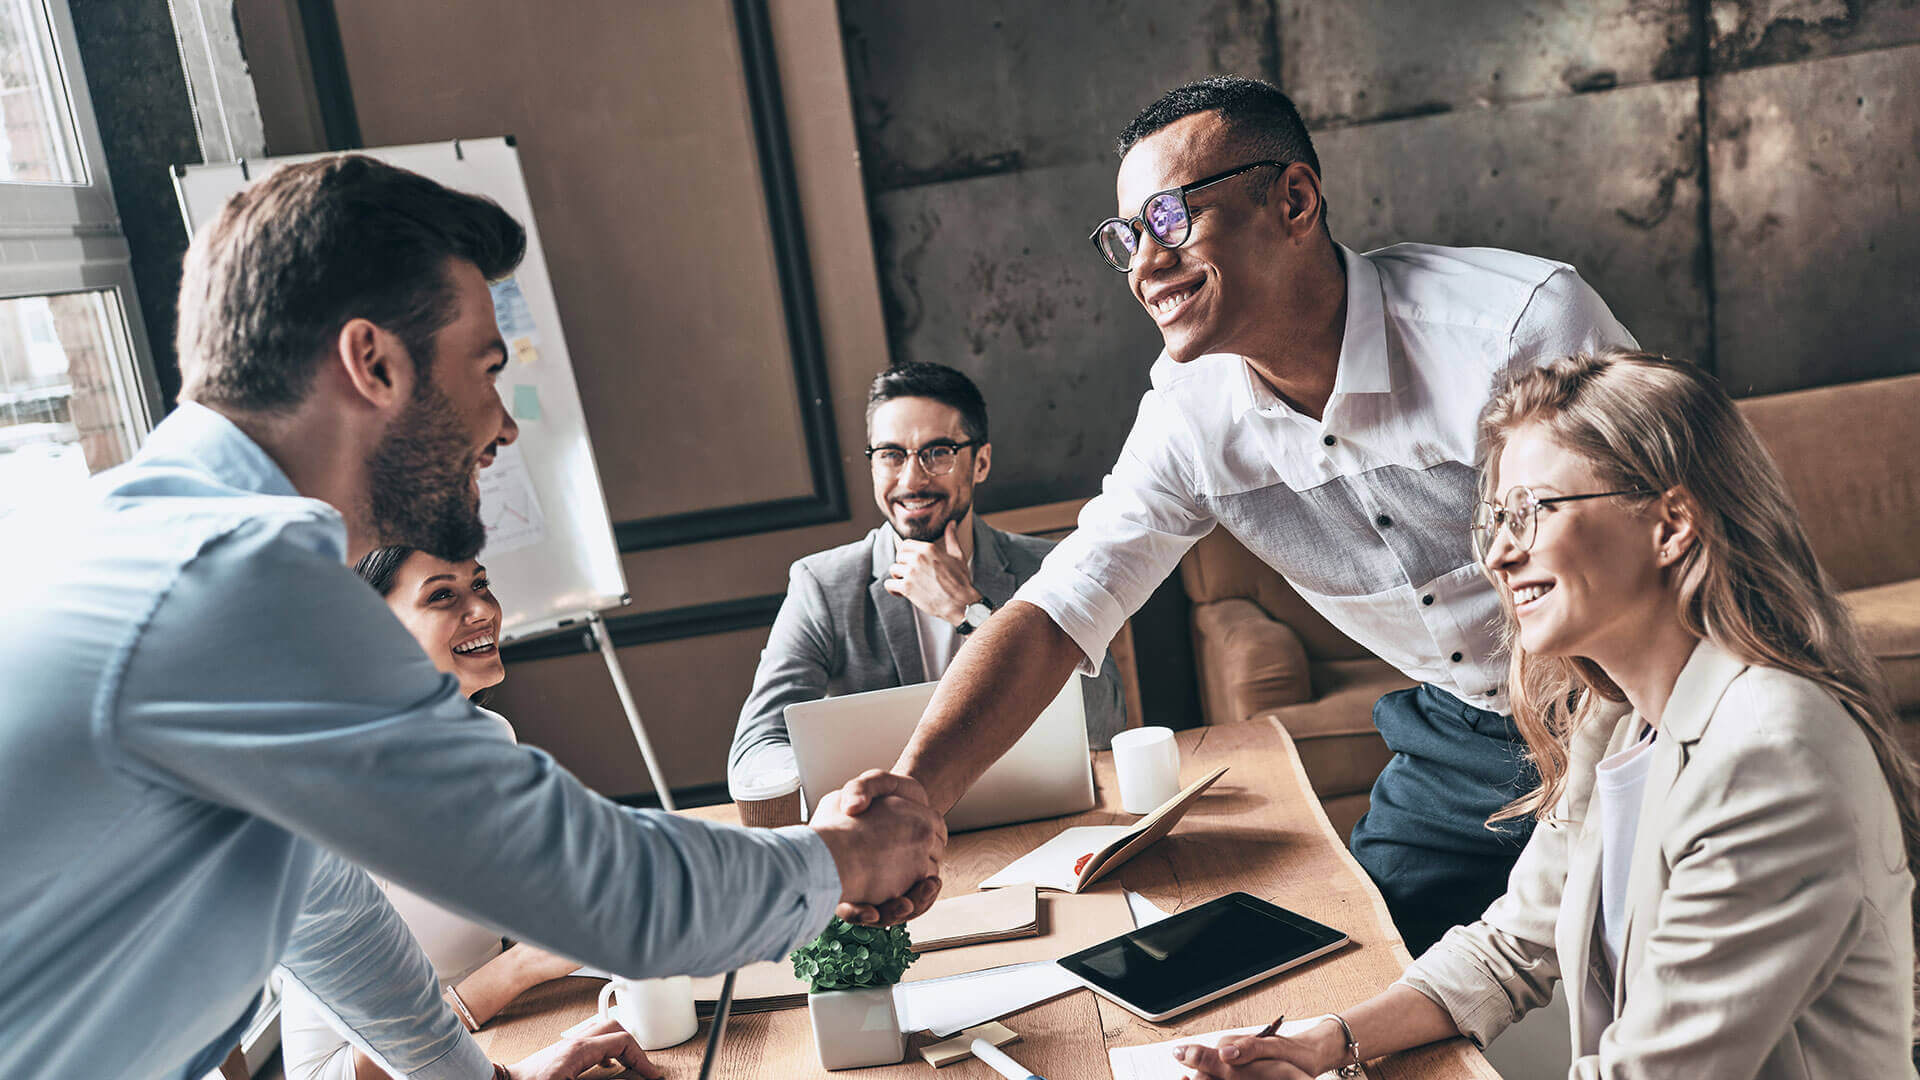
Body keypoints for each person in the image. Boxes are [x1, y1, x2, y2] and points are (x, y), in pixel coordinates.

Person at [0, 155, 942, 1080]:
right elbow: (609, 893)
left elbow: (325, 906)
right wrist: (850, 857)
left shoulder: (136, 535)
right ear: (372, 363)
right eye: (484, 370)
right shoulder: (239, 589)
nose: (503, 423)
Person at [838, 75, 1636, 949]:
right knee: (1350, 975)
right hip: (1463, 733)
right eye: (1126, 237)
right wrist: (913, 797)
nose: (1145, 263)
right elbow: (1059, 609)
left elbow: (1676, 551)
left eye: (1173, 219)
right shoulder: (1189, 417)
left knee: (1658, 974)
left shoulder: (1516, 329)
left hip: (1632, 700)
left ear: (1294, 200)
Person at [1174, 352, 1919, 1079]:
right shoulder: (1616, 721)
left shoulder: (1767, 753)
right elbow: (1510, 944)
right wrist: (1324, 1042)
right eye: (1497, 518)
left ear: (1671, 525)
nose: (1497, 555)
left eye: (1532, 511)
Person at [280, 548, 622, 1080]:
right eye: (442, 595)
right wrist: (519, 970)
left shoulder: (492, 737)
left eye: (480, 585)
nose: (482, 609)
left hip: (496, 1037)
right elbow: (327, 1071)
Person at [728, 361, 1126, 796]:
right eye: (891, 455)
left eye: (938, 452)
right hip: (882, 831)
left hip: (1029, 818)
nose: (911, 479)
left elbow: (1104, 724)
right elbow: (754, 751)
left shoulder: (1050, 567)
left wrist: (970, 613)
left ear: (981, 462)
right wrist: (855, 791)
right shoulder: (821, 586)